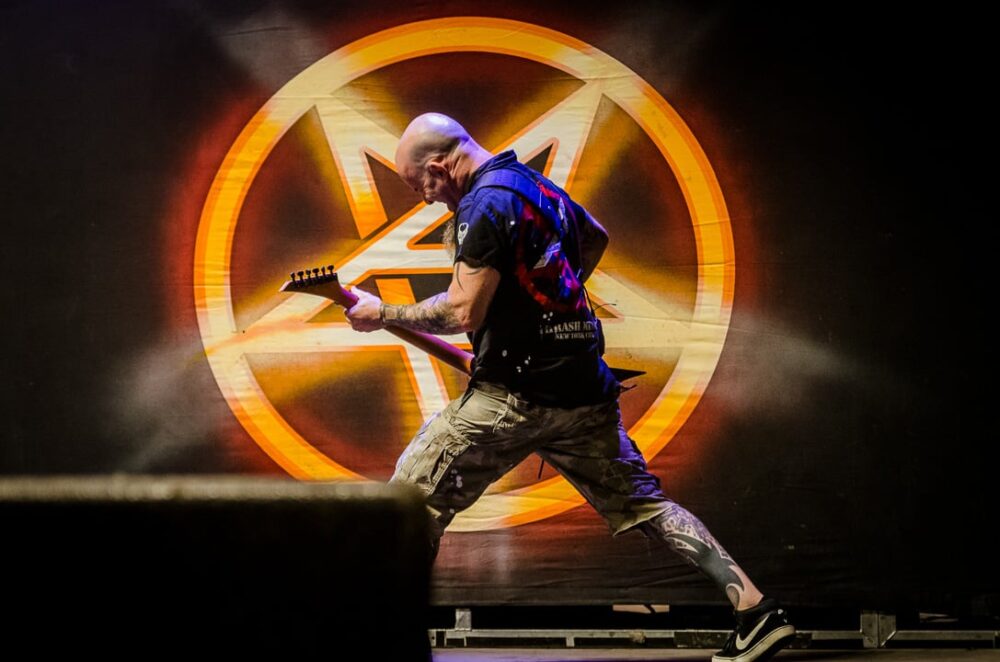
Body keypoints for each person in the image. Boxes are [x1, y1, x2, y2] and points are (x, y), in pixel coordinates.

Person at [345, 112, 795, 662]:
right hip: (584, 394)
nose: (426, 199)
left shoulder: (483, 205)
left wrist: (383, 312)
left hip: (512, 400)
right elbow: (595, 238)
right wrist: (544, 304)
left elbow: (463, 311)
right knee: (647, 505)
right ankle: (757, 611)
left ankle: (386, 639)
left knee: (409, 502)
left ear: (439, 168)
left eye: (422, 186)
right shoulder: (535, 187)